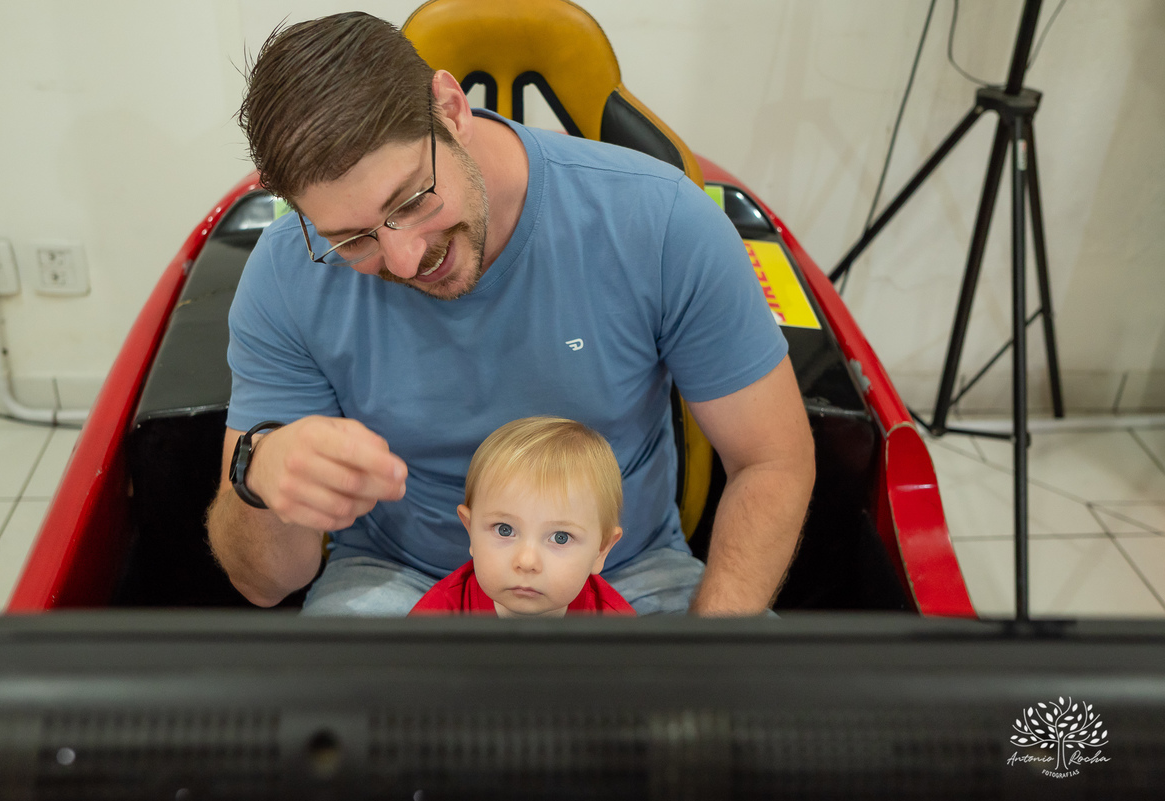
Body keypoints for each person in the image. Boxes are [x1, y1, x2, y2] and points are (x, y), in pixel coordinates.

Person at [205, 11, 815, 617]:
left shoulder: (661, 222)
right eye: (352, 239)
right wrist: (257, 476)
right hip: (398, 578)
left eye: (413, 200)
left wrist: (709, 659)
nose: (405, 257)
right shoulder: (288, 276)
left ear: (451, 108)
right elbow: (265, 584)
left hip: (624, 573)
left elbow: (772, 461)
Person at [410, 417, 634, 617]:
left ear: (601, 549)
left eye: (561, 537)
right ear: (470, 530)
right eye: (504, 529)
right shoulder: (436, 620)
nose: (527, 562)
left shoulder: (618, 634)